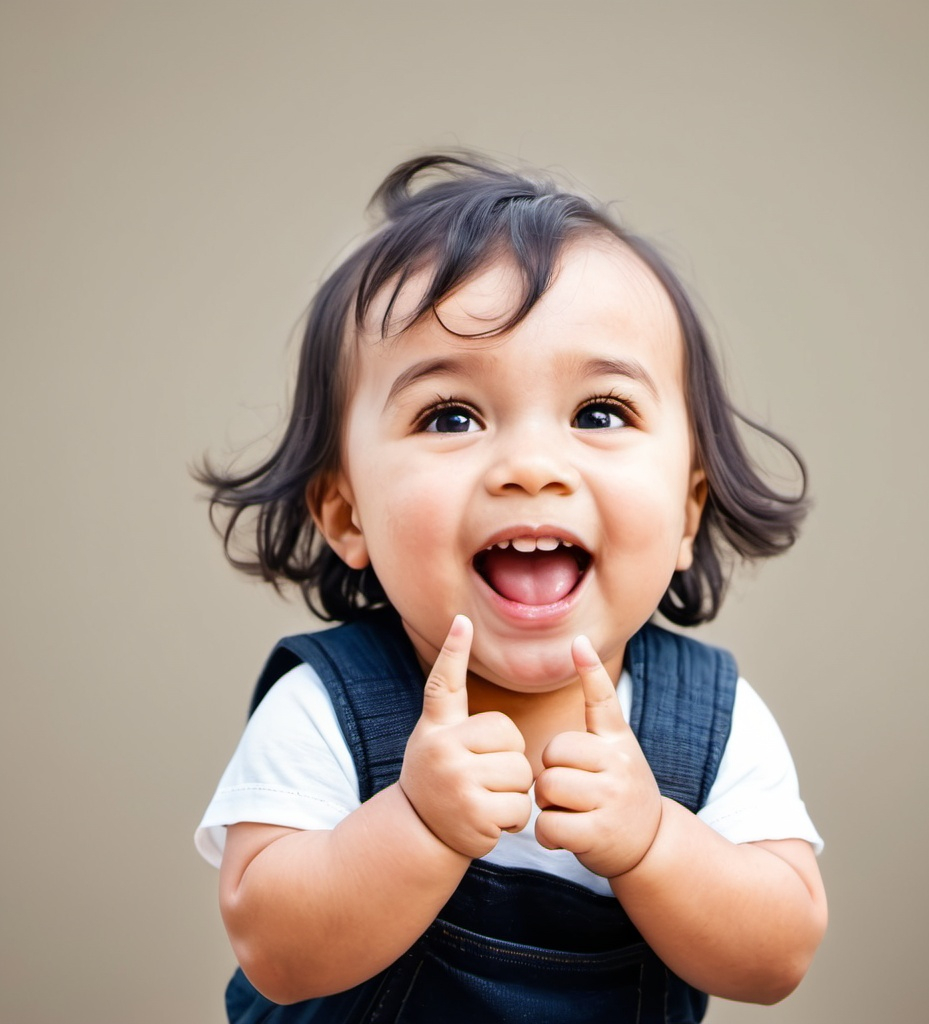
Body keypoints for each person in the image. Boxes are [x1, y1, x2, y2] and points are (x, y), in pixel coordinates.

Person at [195, 153, 827, 1023]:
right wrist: (416, 823)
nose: (531, 467)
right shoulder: (324, 711)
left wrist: (652, 842)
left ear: (688, 511)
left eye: (599, 413)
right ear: (346, 514)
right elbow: (274, 950)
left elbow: (778, 954)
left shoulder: (714, 727)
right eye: (450, 416)